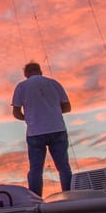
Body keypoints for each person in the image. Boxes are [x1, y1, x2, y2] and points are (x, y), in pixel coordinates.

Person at [11, 61, 72, 196]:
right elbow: (67, 107)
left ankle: (36, 198)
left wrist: (29, 118)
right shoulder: (54, 83)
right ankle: (69, 196)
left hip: (35, 132)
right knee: (63, 167)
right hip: (57, 128)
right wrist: (52, 112)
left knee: (36, 170)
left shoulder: (22, 86)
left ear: (26, 74)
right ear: (40, 71)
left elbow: (16, 113)